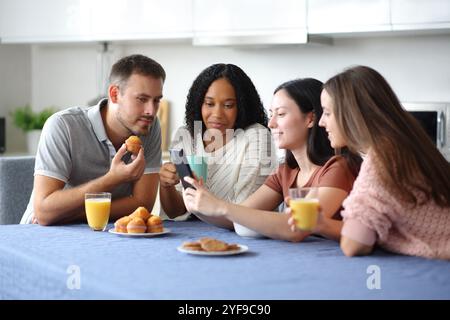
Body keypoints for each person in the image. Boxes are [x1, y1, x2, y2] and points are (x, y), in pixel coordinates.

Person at [182, 78, 360, 241]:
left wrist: (221, 206)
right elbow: (238, 217)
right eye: (271, 114)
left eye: (281, 114)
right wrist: (199, 204)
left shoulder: (338, 168)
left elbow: (298, 228)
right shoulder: (285, 171)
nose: (271, 123)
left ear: (310, 118)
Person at [316, 65, 450, 259]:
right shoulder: (407, 144)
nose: (322, 122)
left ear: (352, 114)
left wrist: (321, 224)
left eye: (327, 113)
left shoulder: (382, 160)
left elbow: (354, 245)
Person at [20, 54, 165, 225]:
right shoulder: (63, 126)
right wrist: (113, 178)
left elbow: (142, 204)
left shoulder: (148, 125)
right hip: (42, 234)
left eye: (156, 100)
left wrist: (72, 214)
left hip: (98, 230)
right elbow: (44, 213)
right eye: (142, 99)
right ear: (114, 94)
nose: (151, 110)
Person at [159, 63, 277, 229]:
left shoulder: (255, 136)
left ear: (241, 107)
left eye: (228, 105)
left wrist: (202, 202)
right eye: (209, 104)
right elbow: (175, 212)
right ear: (199, 104)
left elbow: (244, 215)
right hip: (189, 234)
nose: (217, 114)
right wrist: (166, 186)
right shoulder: (186, 136)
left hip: (240, 236)